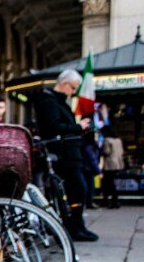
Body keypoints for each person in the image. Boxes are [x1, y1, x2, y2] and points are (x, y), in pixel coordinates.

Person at [34, 69, 97, 241]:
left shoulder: (58, 102)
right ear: (64, 84)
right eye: (73, 87)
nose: (74, 92)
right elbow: (53, 127)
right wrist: (79, 126)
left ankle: (77, 226)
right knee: (77, 189)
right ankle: (73, 228)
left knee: (78, 190)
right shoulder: (49, 102)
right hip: (62, 155)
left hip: (70, 153)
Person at [101, 127, 125, 209]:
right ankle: (115, 200)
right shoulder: (118, 140)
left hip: (110, 163)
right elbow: (121, 151)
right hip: (118, 162)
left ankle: (111, 201)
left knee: (108, 182)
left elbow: (106, 151)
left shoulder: (107, 140)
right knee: (111, 182)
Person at [81, 130, 102, 209]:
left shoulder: (88, 145)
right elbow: (92, 158)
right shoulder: (90, 146)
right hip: (88, 168)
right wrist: (98, 171)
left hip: (87, 168)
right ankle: (89, 201)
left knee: (88, 186)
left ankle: (88, 201)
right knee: (90, 186)